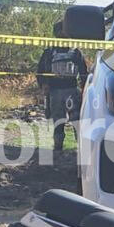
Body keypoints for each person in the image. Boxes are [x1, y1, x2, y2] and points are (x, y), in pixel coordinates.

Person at [36, 21, 88, 152]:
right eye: (62, 31)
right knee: (58, 121)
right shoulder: (49, 52)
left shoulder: (75, 52)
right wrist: (43, 85)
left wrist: (84, 88)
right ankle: (58, 147)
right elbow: (41, 70)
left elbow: (83, 71)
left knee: (76, 120)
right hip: (55, 91)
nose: (64, 34)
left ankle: (80, 148)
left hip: (71, 90)